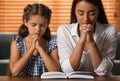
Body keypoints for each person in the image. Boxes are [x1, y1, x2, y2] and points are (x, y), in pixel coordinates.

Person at [57, 0, 117, 76]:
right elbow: (68, 70)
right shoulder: (64, 30)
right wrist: (81, 41)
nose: (86, 19)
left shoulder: (109, 30)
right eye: (81, 13)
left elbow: (103, 71)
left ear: (98, 11)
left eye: (92, 14)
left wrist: (91, 41)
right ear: (74, 12)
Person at [9, 3, 60, 76]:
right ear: (25, 22)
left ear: (47, 24)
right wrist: (32, 49)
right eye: (33, 25)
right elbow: (14, 72)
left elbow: (55, 71)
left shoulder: (52, 44)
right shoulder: (18, 42)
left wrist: (40, 48)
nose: (38, 29)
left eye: (42, 26)